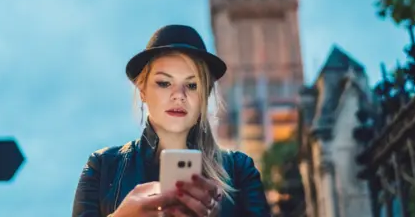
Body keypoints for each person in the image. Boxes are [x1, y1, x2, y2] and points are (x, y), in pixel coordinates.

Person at [72, 24, 271, 217]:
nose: (179, 95)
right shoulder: (102, 166)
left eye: (192, 85)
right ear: (142, 91)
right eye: (164, 83)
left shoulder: (239, 169)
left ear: (206, 93)